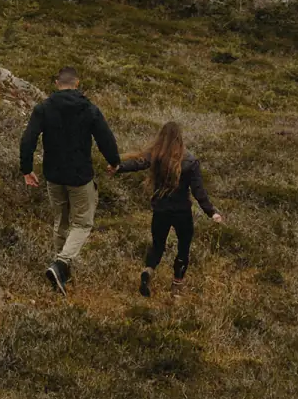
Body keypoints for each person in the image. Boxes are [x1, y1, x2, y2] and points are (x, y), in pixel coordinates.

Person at [20, 66, 121, 294]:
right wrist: (114, 162)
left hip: (53, 175)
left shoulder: (44, 108)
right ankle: (61, 263)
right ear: (77, 83)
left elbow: (28, 140)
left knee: (61, 221)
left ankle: (60, 274)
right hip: (80, 176)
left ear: (57, 83)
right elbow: (106, 138)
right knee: (83, 223)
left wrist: (27, 169)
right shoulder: (89, 109)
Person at [114, 120, 221, 296]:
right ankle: (177, 287)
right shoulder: (190, 161)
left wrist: (118, 167)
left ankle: (148, 270)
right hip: (182, 213)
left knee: (157, 246)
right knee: (183, 247)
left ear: (161, 137)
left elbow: (137, 163)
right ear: (180, 138)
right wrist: (212, 212)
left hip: (160, 210)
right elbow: (198, 191)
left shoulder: (156, 155)